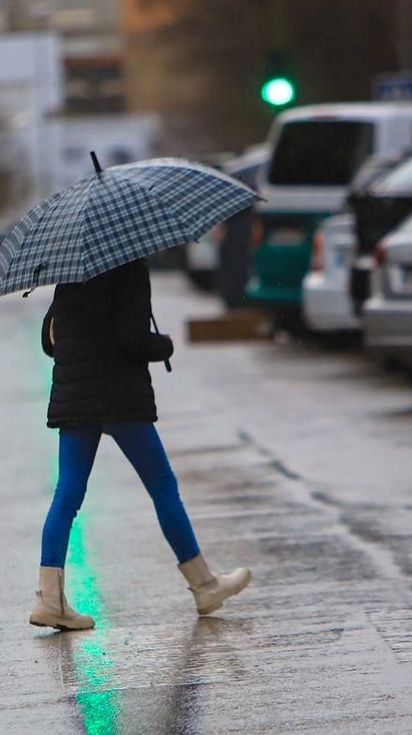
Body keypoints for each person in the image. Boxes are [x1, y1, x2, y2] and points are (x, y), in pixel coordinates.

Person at [30, 258, 253, 630]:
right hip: (119, 397)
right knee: (163, 487)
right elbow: (132, 340)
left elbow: (48, 340)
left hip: (76, 398)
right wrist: (162, 345)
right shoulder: (129, 265)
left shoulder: (70, 267)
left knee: (66, 495)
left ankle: (49, 599)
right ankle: (205, 586)